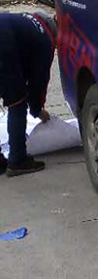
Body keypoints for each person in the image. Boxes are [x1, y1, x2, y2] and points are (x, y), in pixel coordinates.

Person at [0, 11, 57, 177]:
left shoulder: (29, 22)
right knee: (17, 101)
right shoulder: (46, 40)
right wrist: (37, 109)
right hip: (3, 44)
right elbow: (39, 80)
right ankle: (17, 160)